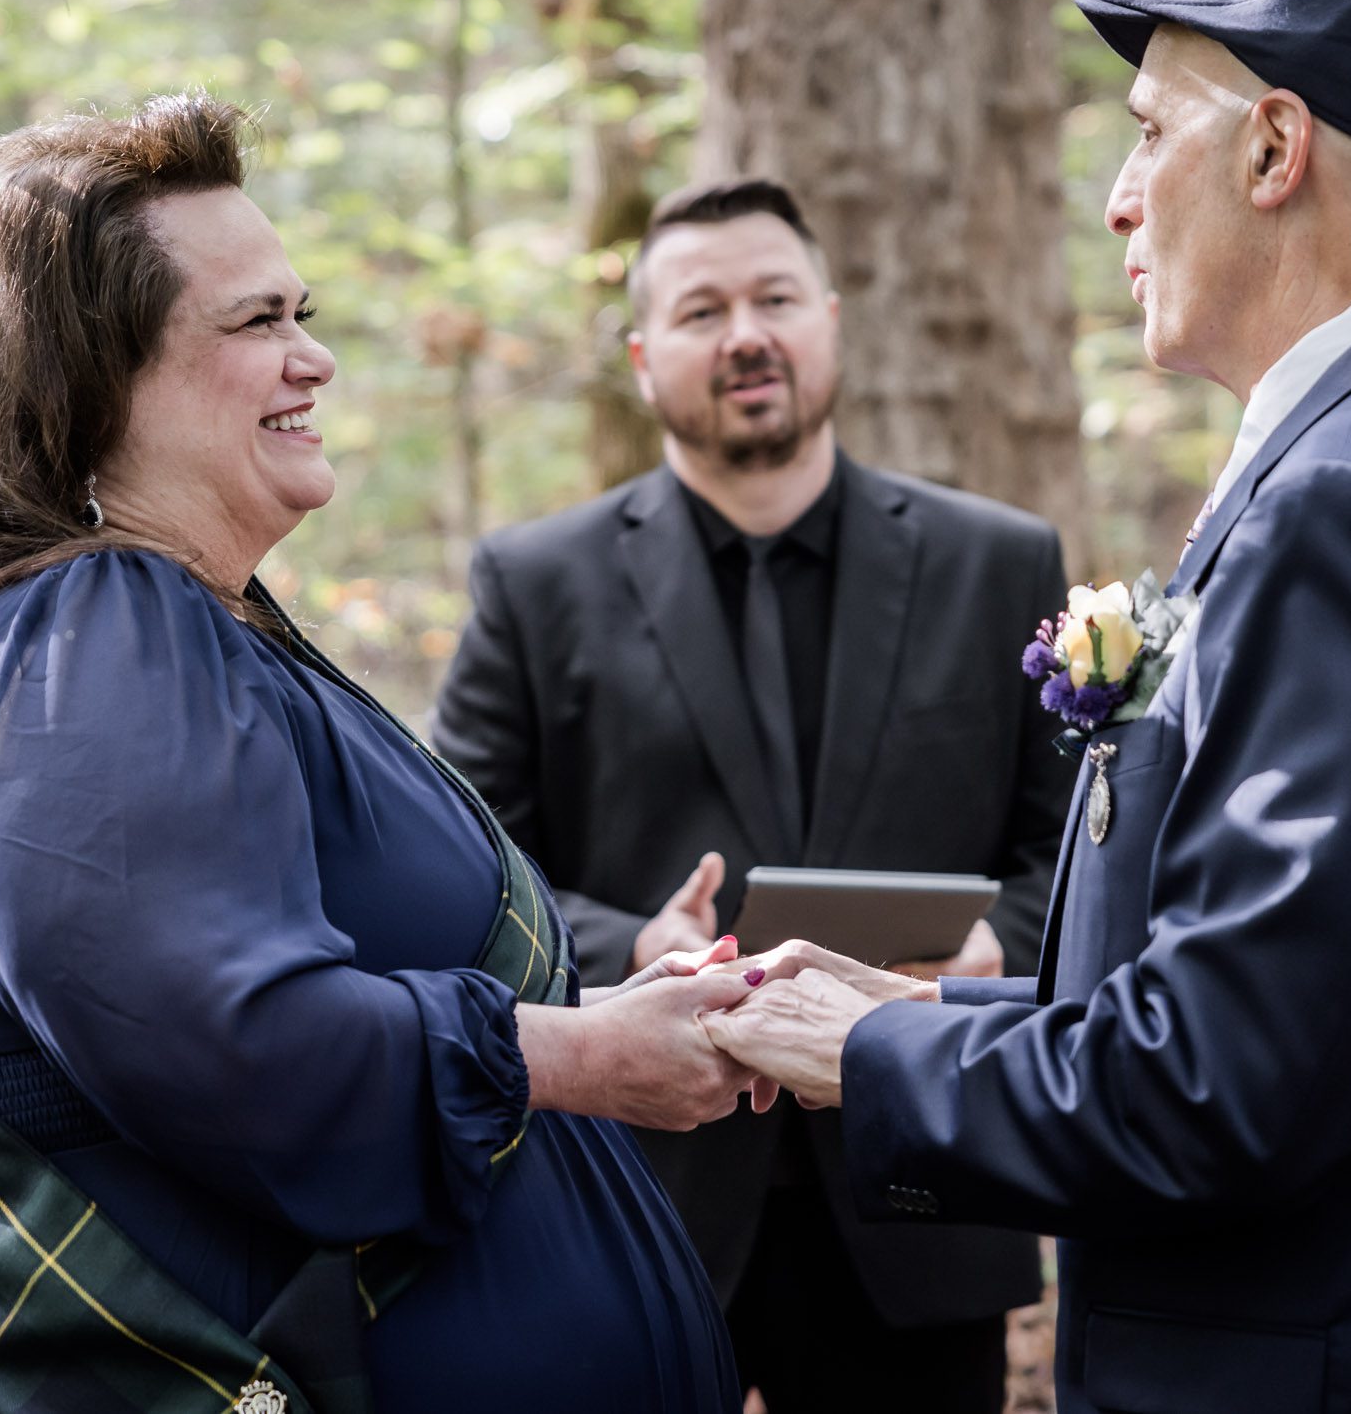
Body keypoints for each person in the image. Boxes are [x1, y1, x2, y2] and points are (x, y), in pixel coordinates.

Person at [704, 0, 1351, 1413]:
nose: (1116, 196)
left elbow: (1225, 1081)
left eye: (1153, 132)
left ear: (1277, 148)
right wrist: (928, 1010)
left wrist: (879, 1052)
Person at [0, 94, 753, 1414]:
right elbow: (230, 1039)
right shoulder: (95, 637)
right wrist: (577, 1058)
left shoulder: (175, 628)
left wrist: (607, 981)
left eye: (302, 313)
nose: (313, 360)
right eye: (257, 322)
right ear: (97, 376)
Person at [432, 179, 1068, 1409]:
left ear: (828, 318)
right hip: (637, 1196)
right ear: (641, 355)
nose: (745, 334)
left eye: (775, 297)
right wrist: (631, 944)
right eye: (701, 309)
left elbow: (1082, 842)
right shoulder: (534, 581)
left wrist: (997, 943)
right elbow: (463, 860)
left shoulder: (998, 560)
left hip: (920, 1190)